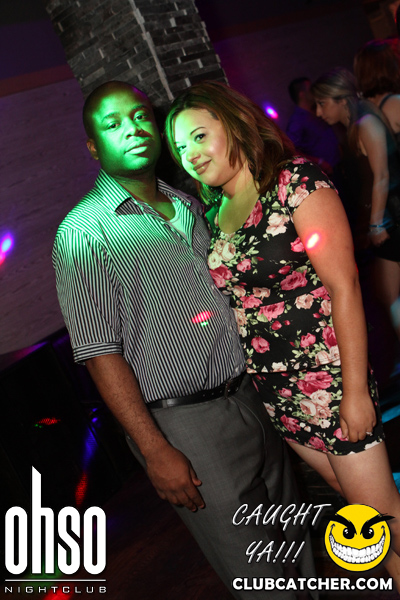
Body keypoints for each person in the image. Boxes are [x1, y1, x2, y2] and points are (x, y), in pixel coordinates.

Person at [52, 80, 318, 600]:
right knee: (260, 577)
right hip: (187, 426)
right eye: (112, 125)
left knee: (298, 550)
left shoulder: (192, 202)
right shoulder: (84, 233)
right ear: (93, 147)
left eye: (140, 116)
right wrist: (155, 449)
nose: (132, 130)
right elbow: (99, 353)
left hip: (253, 397)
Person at [165, 80, 400, 588]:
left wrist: (355, 392)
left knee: (384, 518)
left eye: (199, 136)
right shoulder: (213, 213)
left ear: (234, 124)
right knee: (362, 516)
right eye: (180, 147)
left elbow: (344, 286)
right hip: (276, 390)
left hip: (329, 380)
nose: (191, 154)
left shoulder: (295, 181)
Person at [312, 66, 400, 342]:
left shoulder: (366, 124)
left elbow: (382, 176)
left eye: (322, 103)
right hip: (387, 218)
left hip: (393, 217)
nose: (318, 112)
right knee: (387, 295)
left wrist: (376, 224)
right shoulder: (353, 128)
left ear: (341, 99)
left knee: (389, 295)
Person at [286, 77, 340, 175]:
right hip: (328, 171)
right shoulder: (297, 120)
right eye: (310, 89)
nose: (314, 92)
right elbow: (292, 149)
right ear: (302, 94)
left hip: (338, 163)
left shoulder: (316, 110)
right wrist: (319, 162)